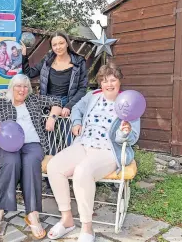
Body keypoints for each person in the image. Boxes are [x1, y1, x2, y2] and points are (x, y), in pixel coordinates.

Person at [46, 63, 141, 242]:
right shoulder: (92, 96)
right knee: (54, 166)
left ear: (120, 81)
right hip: (83, 144)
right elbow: (77, 109)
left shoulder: (129, 102)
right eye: (104, 80)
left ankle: (87, 228)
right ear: (100, 83)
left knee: (83, 172)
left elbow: (133, 137)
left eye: (113, 80)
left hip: (108, 150)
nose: (109, 84)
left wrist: (124, 132)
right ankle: (67, 220)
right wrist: (76, 123)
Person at [0, 74, 62, 240]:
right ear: (11, 88)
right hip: (5, 146)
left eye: (25, 86)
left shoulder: (34, 100)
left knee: (31, 162)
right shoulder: (0, 103)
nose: (22, 90)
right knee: (11, 162)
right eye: (18, 86)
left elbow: (57, 101)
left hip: (32, 144)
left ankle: (32, 214)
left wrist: (52, 117)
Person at [22, 31, 88, 193]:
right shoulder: (47, 61)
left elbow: (82, 88)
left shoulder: (79, 62)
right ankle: (52, 177)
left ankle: (73, 177)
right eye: (54, 44)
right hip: (48, 104)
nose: (58, 47)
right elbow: (28, 74)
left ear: (67, 43)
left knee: (68, 143)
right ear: (51, 47)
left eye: (61, 43)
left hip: (68, 104)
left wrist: (70, 105)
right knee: (49, 142)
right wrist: (24, 55)